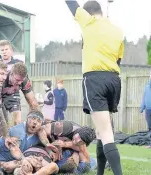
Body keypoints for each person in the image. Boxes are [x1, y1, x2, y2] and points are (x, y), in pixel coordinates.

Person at [66, 1, 124, 175]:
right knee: (102, 129)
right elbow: (118, 60)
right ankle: (99, 172)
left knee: (106, 133)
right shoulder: (117, 30)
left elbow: (71, 4)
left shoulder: (88, 21)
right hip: (114, 80)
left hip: (95, 79)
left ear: (89, 13)